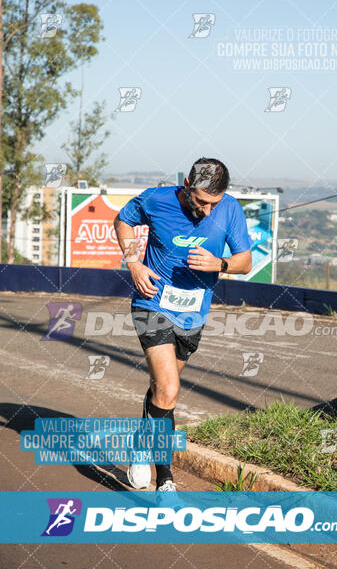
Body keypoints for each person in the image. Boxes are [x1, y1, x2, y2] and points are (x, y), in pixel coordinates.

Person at [114, 158, 252, 491]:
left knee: (162, 391)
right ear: (187, 184)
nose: (207, 210)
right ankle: (166, 480)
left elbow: (245, 262)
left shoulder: (230, 209)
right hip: (152, 304)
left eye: (213, 204)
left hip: (194, 314)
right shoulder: (155, 199)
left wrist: (220, 263)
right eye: (202, 201)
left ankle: (139, 445)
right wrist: (133, 263)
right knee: (170, 389)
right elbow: (122, 220)